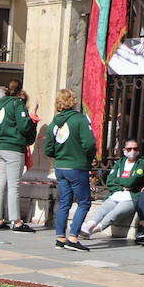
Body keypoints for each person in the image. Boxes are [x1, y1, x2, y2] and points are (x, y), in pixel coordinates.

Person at [44, 87, 97, 251]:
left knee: (64, 203)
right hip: (77, 166)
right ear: (73, 102)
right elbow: (89, 143)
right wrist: (88, 158)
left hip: (60, 166)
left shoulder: (53, 123)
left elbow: (48, 149)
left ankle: (60, 237)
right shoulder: (80, 120)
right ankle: (73, 237)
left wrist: (59, 155)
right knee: (84, 202)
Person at [0, 78, 37, 232]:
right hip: (14, 147)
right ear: (20, 90)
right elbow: (23, 125)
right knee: (13, 185)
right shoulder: (17, 104)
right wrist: (30, 125)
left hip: (0, 147)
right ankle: (16, 221)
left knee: (0, 183)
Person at [80, 138, 144, 239]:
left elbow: (132, 181)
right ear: (124, 150)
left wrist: (120, 181)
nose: (133, 152)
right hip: (117, 194)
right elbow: (110, 180)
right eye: (129, 149)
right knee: (103, 209)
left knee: (114, 214)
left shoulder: (142, 163)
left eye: (135, 149)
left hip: (132, 197)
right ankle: (88, 226)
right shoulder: (120, 162)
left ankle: (92, 231)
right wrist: (122, 186)